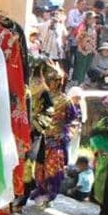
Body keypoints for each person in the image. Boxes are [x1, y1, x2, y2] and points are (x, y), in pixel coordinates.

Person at [29, 64, 80, 205]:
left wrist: (65, 133)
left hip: (56, 140)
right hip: (42, 137)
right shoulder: (41, 97)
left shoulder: (65, 100)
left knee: (53, 169)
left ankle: (50, 195)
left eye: (52, 80)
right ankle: (40, 190)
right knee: (39, 166)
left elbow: (73, 118)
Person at [70, 11, 98, 87]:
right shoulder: (83, 27)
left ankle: (81, 82)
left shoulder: (93, 28)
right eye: (92, 18)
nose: (94, 20)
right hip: (82, 50)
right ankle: (79, 83)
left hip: (90, 50)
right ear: (88, 19)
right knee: (80, 67)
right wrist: (81, 49)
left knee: (86, 67)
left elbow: (94, 39)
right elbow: (78, 39)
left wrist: (93, 49)